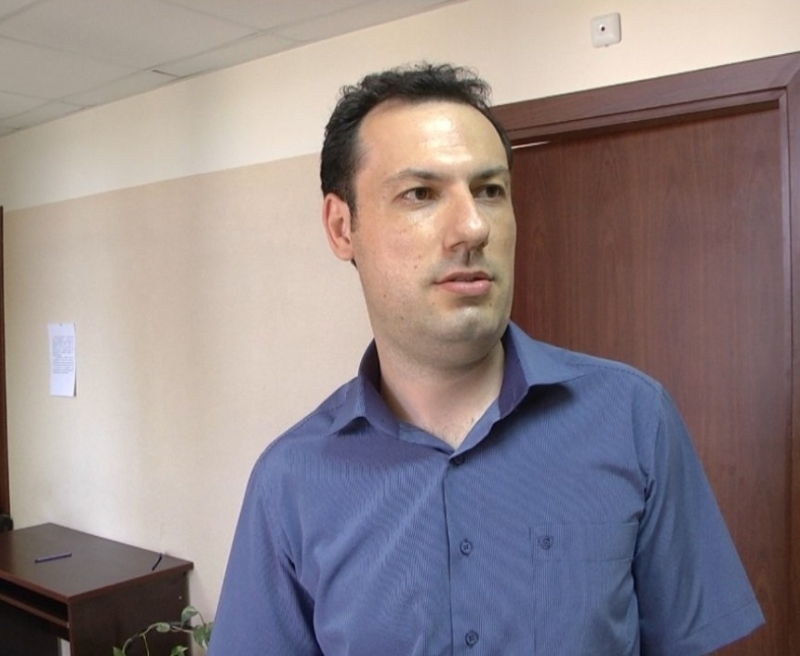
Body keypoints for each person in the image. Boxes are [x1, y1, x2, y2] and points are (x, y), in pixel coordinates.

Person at [209, 63, 764, 656]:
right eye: (421, 193)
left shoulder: (633, 418)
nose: (472, 227)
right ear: (343, 227)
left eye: (490, 191)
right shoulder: (289, 481)